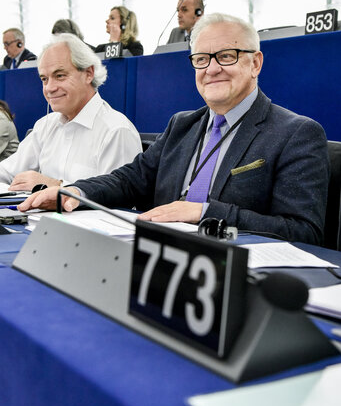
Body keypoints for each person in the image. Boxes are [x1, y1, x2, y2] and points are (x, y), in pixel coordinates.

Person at [19, 13, 329, 246]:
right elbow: (129, 179)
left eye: (226, 56)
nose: (212, 69)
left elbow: (304, 232)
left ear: (255, 63)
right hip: (160, 260)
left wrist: (204, 211)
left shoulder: (296, 133)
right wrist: (77, 191)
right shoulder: (183, 125)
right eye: (201, 59)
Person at [0, 32, 142, 191]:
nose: (49, 88)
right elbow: (7, 171)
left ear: (88, 74)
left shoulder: (116, 131)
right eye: (44, 79)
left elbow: (120, 199)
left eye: (59, 76)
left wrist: (56, 186)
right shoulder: (45, 125)